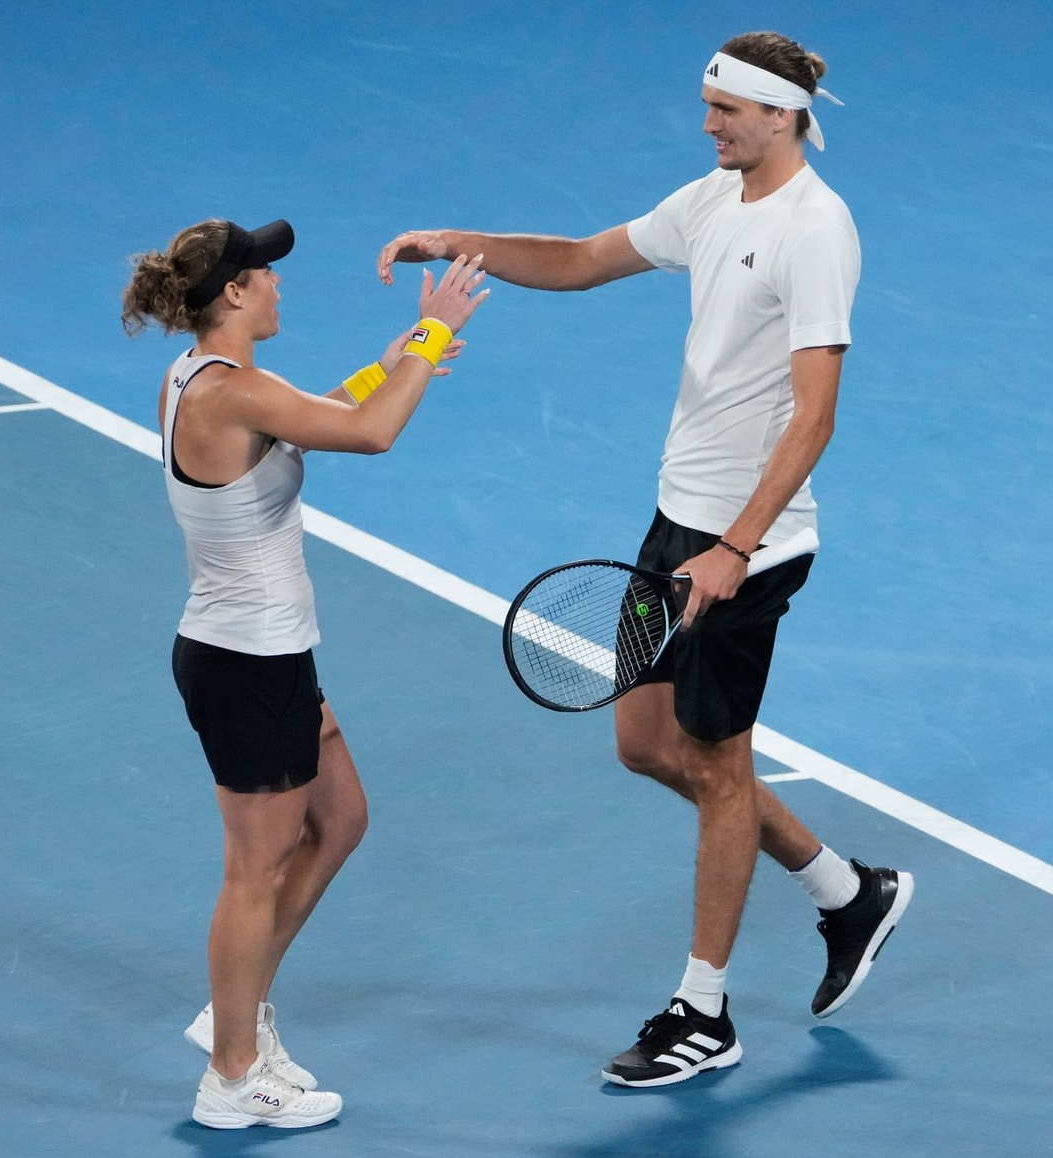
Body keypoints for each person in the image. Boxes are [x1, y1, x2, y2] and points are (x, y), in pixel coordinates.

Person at [378, 31, 912, 1088]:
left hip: (744, 548)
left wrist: (736, 547)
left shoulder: (816, 230)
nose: (708, 123)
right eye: (707, 105)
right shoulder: (716, 199)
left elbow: (815, 417)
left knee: (717, 764)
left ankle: (704, 1010)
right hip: (676, 523)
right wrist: (455, 240)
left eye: (725, 110)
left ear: (780, 114)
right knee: (643, 744)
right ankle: (848, 892)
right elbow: (581, 259)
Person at [122, 217, 487, 1125]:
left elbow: (304, 427)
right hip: (245, 663)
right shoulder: (230, 391)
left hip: (267, 655)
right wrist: (433, 330)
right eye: (265, 273)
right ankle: (232, 1076)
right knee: (255, 869)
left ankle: (232, 1013)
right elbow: (368, 435)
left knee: (343, 817)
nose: (280, 283)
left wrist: (391, 364)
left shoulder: (207, 379)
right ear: (234, 294)